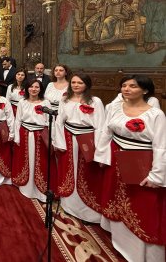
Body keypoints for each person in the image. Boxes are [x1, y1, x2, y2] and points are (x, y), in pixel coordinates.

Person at [94, 75, 165, 262]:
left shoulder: (155, 114)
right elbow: (105, 132)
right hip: (117, 157)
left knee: (140, 202)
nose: (126, 89)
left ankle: (139, 248)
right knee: (115, 195)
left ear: (145, 90)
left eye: (132, 86)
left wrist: (157, 175)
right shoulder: (116, 109)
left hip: (140, 161)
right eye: (124, 86)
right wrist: (102, 155)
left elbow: (160, 146)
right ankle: (118, 236)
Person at [53, 73, 104, 223]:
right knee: (68, 169)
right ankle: (69, 205)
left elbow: (101, 125)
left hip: (87, 138)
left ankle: (88, 212)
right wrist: (60, 142)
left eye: (80, 83)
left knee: (87, 173)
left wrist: (99, 148)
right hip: (68, 136)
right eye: (74, 82)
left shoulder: (95, 101)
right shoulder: (65, 99)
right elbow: (59, 121)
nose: (75, 85)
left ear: (86, 85)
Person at [12, 79, 55, 202]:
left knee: (41, 161)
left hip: (41, 135)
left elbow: (50, 121)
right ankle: (26, 186)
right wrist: (17, 137)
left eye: (37, 87)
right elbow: (18, 120)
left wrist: (51, 138)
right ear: (27, 88)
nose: (34, 89)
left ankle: (40, 189)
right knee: (26, 159)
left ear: (40, 89)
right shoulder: (22, 102)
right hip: (25, 133)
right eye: (31, 86)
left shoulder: (46, 102)